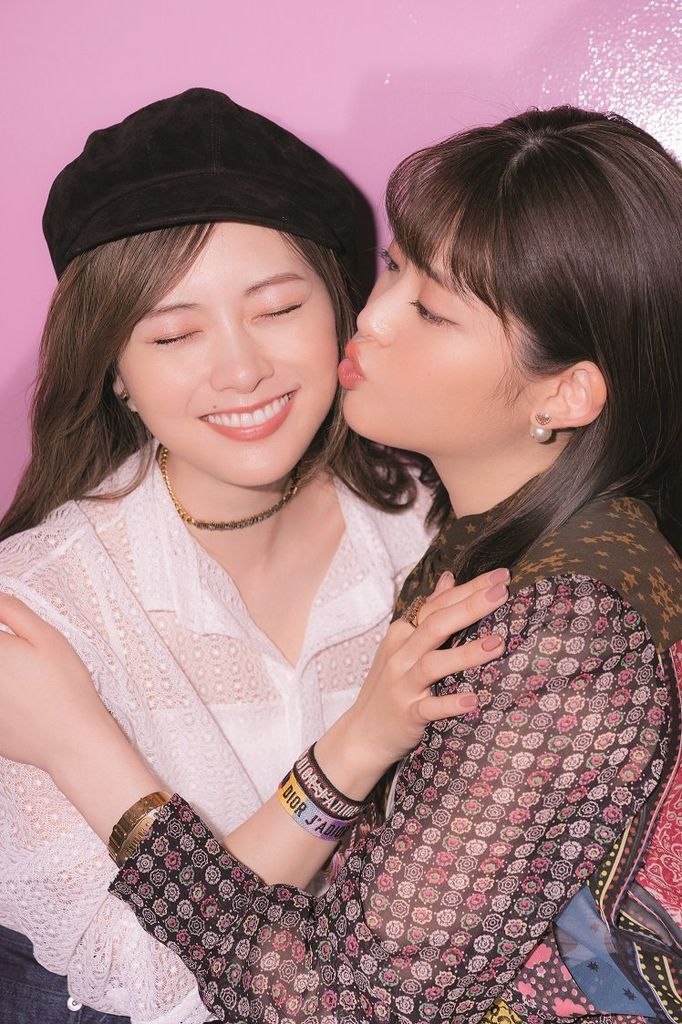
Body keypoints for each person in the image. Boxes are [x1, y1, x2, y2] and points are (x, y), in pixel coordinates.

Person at [1, 103, 680, 1024]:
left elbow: (344, 998)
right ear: (113, 366)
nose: (241, 369)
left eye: (280, 309)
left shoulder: (454, 554)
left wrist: (85, 747)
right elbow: (140, 987)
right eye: (173, 334)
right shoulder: (39, 607)